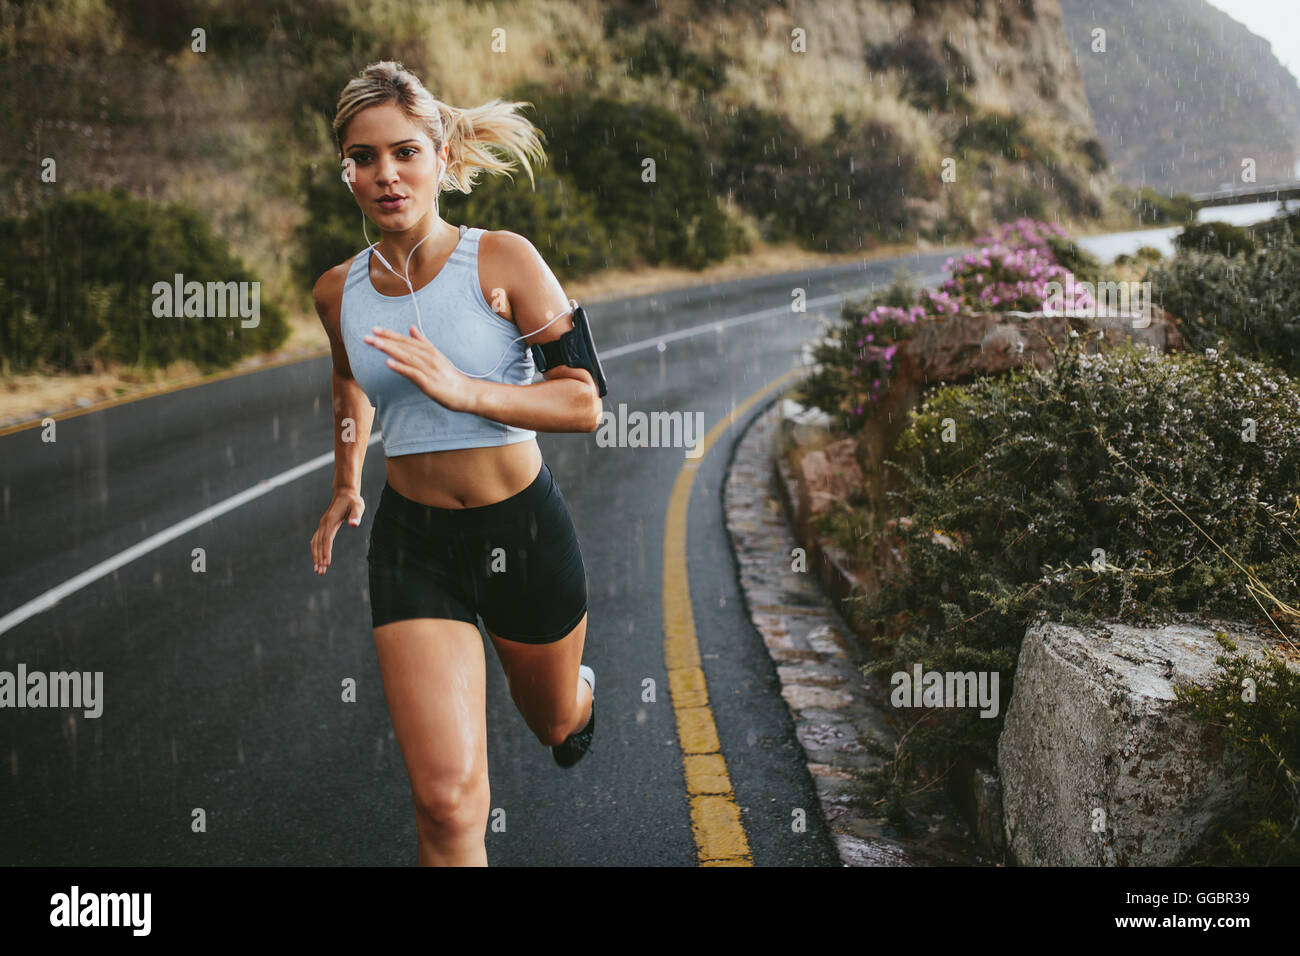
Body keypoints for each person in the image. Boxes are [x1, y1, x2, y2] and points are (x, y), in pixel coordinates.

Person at [308, 61, 599, 866]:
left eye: (404, 152)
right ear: (347, 171)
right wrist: (345, 478)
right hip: (415, 547)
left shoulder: (504, 261)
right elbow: (347, 376)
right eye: (363, 158)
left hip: (522, 530)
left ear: (440, 156)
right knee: (444, 800)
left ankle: (580, 701)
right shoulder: (338, 291)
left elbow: (584, 402)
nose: (385, 175)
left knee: (552, 723)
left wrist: (467, 389)